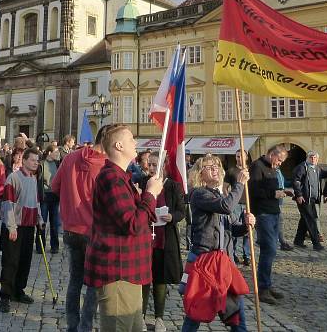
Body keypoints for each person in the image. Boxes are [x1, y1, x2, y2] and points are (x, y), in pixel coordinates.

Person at [84, 124, 163, 331]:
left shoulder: (120, 176)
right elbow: (134, 223)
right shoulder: (111, 177)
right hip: (118, 270)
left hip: (129, 270)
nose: (135, 143)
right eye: (130, 140)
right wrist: (150, 194)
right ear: (119, 145)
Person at [182, 154, 255, 332]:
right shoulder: (199, 194)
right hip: (204, 259)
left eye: (216, 165)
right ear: (200, 174)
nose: (214, 168)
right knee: (196, 312)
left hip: (224, 261)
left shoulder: (221, 195)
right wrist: (239, 184)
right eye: (209, 166)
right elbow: (226, 207)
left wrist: (246, 225)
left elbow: (232, 229)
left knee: (236, 314)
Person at [50, 126, 109, 332]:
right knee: (93, 284)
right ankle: (86, 326)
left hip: (70, 229)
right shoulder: (106, 166)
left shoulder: (70, 158)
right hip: (94, 231)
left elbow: (54, 187)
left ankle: (72, 326)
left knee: (74, 280)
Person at [142, 153, 185, 332]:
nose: (152, 168)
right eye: (150, 164)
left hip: (164, 238)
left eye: (155, 165)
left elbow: (181, 211)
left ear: (163, 166)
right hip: (145, 238)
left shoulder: (173, 186)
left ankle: (159, 317)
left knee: (160, 279)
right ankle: (141, 317)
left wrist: (172, 216)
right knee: (143, 280)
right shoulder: (142, 182)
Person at [0, 147, 44, 313]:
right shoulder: (13, 178)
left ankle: (18, 290)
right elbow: (7, 204)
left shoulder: (33, 178)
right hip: (15, 226)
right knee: (11, 261)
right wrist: (11, 226)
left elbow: (36, 201)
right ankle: (5, 296)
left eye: (37, 160)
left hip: (29, 226)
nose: (35, 163)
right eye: (32, 160)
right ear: (24, 160)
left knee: (25, 260)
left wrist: (39, 219)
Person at [248, 144, 288, 305]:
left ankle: (267, 284)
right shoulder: (257, 167)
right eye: (279, 160)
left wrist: (281, 192)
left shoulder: (272, 168)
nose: (279, 164)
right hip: (263, 214)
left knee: (271, 250)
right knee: (269, 249)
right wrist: (274, 193)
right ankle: (262, 288)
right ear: (272, 154)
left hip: (274, 212)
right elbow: (254, 191)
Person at [292, 151, 323, 251]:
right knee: (311, 219)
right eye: (311, 157)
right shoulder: (302, 167)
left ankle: (298, 240)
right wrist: (299, 195)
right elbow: (296, 182)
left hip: (313, 198)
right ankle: (316, 243)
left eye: (315, 158)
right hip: (304, 198)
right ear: (307, 158)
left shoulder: (317, 168)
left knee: (305, 219)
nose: (313, 159)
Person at [37, 144, 61, 254]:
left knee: (55, 223)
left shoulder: (58, 163)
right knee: (42, 222)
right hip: (44, 196)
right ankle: (40, 246)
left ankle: (55, 246)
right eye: (56, 152)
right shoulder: (41, 164)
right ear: (50, 153)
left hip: (55, 197)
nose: (58, 154)